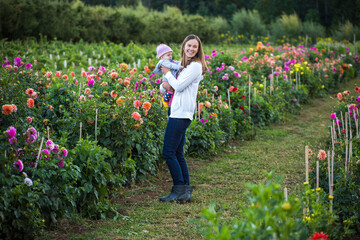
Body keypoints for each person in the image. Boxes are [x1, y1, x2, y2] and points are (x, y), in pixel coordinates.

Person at [159, 34, 208, 203]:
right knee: (178, 152)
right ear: (184, 46)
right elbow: (166, 85)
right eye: (189, 45)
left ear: (198, 49)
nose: (191, 49)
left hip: (181, 114)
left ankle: (178, 189)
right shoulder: (183, 66)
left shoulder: (195, 66)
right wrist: (166, 81)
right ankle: (185, 191)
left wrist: (166, 72)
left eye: (194, 46)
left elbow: (178, 86)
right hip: (177, 111)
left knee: (168, 152)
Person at [153, 44, 183, 108]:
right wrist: (179, 67)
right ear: (161, 57)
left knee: (172, 90)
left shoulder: (169, 61)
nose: (170, 56)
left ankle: (167, 101)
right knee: (170, 91)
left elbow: (176, 62)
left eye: (171, 55)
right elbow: (171, 66)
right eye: (168, 55)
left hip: (170, 80)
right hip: (167, 81)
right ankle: (165, 100)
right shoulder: (163, 62)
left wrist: (181, 63)